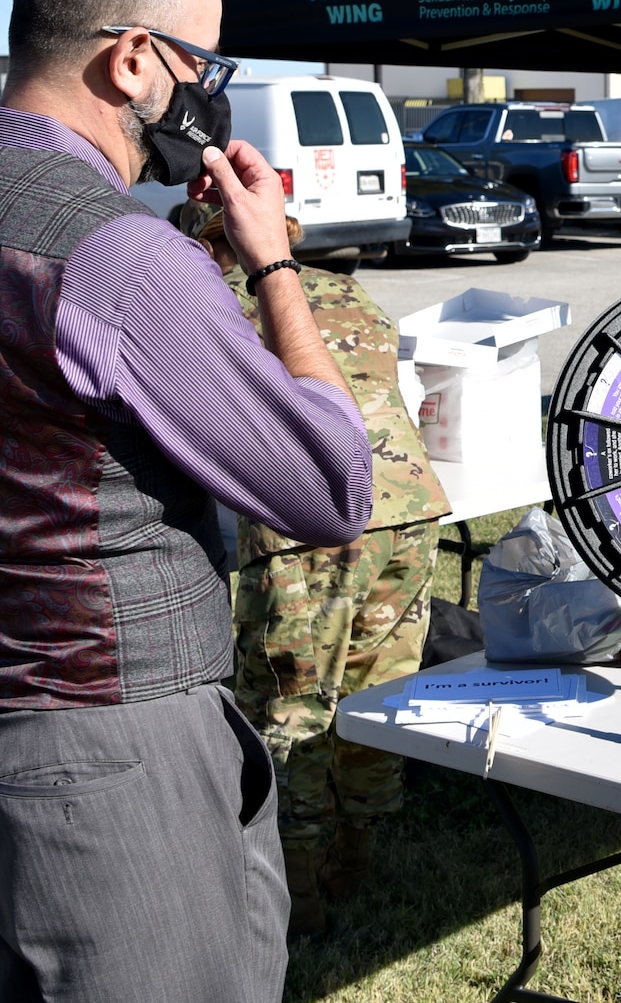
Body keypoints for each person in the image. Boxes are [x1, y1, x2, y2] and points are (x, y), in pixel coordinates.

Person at [0, 0, 373, 1000]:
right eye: (200, 68)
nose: (203, 101)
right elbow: (328, 488)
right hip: (104, 776)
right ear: (130, 59)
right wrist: (271, 263)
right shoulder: (117, 252)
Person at [182, 202, 450, 934]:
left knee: (288, 708)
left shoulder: (212, 298)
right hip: (408, 507)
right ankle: (355, 858)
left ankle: (296, 898)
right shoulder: (346, 289)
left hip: (309, 522)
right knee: (376, 699)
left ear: (207, 243)